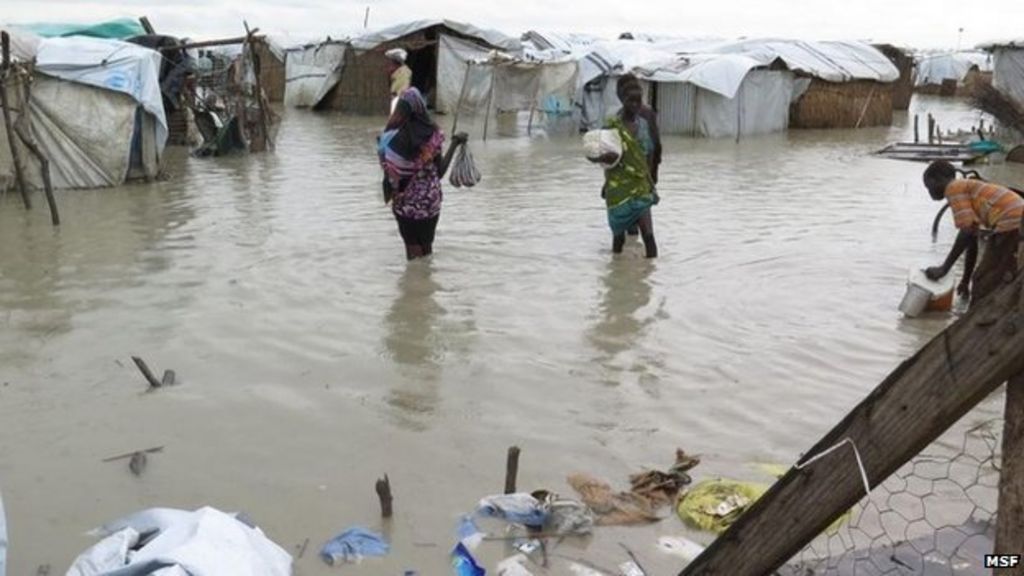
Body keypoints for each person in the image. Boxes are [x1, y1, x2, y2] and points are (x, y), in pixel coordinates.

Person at [379, 88, 467, 261]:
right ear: (420, 106)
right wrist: (455, 143)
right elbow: (439, 171)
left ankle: (414, 285)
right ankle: (428, 285)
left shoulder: (389, 139)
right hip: (430, 203)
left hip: (405, 204)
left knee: (412, 253)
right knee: (427, 248)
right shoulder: (433, 135)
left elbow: (390, 177)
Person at [923, 160, 1024, 304]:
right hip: (1016, 220)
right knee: (1001, 273)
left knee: (984, 279)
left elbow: (966, 232)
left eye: (928, 186)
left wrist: (944, 268)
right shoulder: (965, 188)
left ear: (936, 179)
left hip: (1011, 222)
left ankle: (981, 320)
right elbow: (971, 242)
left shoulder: (953, 188)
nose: (929, 192)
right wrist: (965, 280)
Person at [590, 80, 658, 258]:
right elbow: (605, 155)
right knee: (618, 237)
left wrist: (650, 181)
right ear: (623, 101)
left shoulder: (643, 125)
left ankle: (649, 281)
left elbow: (649, 155)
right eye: (631, 101)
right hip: (618, 188)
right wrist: (597, 161)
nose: (635, 105)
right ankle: (617, 274)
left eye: (638, 100)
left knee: (649, 236)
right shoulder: (612, 126)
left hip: (640, 186)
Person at [614, 75, 662, 237]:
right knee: (636, 220)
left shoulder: (645, 114)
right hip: (631, 175)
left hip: (641, 173)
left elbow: (654, 144)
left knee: (640, 219)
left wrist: (653, 173)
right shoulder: (617, 118)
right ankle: (632, 253)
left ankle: (633, 251)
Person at [384, 48, 412, 113]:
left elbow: (401, 89)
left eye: (390, 61)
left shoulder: (403, 73)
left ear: (395, 63)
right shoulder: (401, 72)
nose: (388, 63)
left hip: (400, 100)